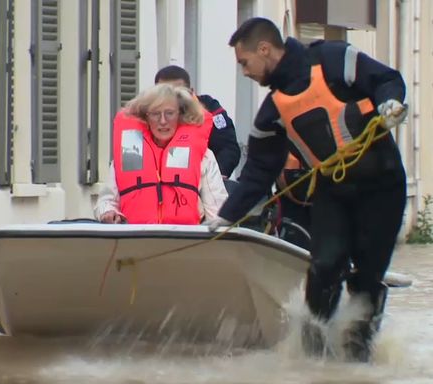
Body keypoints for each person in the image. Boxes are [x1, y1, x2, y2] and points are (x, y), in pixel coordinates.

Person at [209, 17, 408, 362]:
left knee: (366, 279)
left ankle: (359, 360)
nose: (244, 72)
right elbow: (257, 173)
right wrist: (224, 217)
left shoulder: (334, 59)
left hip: (383, 189)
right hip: (333, 192)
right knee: (324, 267)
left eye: (244, 63)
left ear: (265, 49)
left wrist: (390, 103)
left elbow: (387, 79)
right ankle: (313, 360)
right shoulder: (271, 114)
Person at [94, 83, 228, 224]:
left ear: (180, 115)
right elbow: (105, 202)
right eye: (156, 114)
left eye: (169, 113)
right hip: (135, 240)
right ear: (145, 117)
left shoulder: (204, 156)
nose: (163, 121)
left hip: (186, 240)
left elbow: (218, 211)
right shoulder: (130, 153)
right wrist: (108, 212)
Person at [154, 65, 242, 181]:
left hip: (203, 179)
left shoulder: (210, 109)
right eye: (165, 93)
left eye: (179, 93)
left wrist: (213, 179)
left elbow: (228, 148)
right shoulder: (148, 113)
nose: (173, 99)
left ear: (191, 92)